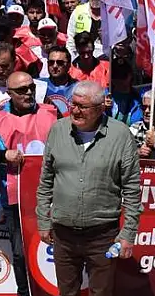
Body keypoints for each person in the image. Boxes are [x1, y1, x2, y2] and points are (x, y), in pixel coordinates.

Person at [36, 81, 141, 296]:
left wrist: (128, 233)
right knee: (67, 292)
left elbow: (131, 188)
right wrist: (43, 220)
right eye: (73, 104)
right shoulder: (58, 130)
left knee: (101, 292)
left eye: (82, 107)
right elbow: (46, 180)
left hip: (103, 235)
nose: (75, 110)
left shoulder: (120, 135)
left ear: (100, 108)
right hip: (63, 233)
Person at [0, 71, 59, 296]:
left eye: (31, 87)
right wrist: (4, 155)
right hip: (17, 201)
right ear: (9, 94)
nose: (29, 93)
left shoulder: (51, 113)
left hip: (53, 196)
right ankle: (25, 292)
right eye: (22, 90)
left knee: (58, 249)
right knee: (21, 253)